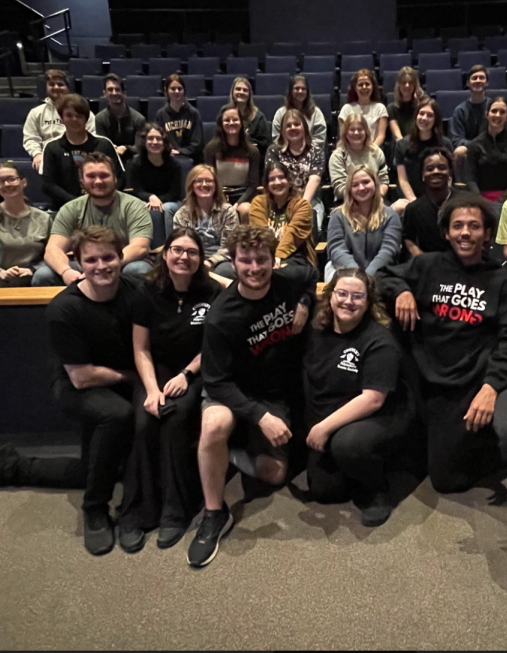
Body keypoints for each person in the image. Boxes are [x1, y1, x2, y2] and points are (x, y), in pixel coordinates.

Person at [377, 194, 507, 590]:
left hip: (489, 379)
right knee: (444, 480)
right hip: (441, 386)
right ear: (446, 231)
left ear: (488, 233)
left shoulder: (501, 281)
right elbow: (386, 275)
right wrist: (401, 292)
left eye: (474, 226)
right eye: (458, 226)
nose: (465, 233)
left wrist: (491, 387)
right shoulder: (426, 266)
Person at [0, 226, 141, 557]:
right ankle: (95, 509)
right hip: (77, 385)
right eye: (92, 259)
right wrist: (132, 376)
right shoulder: (65, 308)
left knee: (99, 468)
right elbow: (82, 377)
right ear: (78, 262)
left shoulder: (134, 291)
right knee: (117, 415)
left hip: (119, 381)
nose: (101, 265)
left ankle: (14, 467)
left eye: (109, 257)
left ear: (121, 257)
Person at [189, 224, 317, 568]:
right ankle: (214, 513)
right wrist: (260, 416)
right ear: (233, 262)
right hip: (233, 391)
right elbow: (216, 382)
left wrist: (304, 302)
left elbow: (310, 274)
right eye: (245, 261)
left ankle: (227, 455)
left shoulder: (288, 280)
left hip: (275, 393)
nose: (254, 268)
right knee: (215, 423)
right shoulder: (221, 316)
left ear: (274, 261)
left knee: (275, 474)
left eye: (262, 260)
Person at [116, 228, 224, 553]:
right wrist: (151, 389)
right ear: (165, 254)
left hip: (195, 371)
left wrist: (186, 375)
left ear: (201, 259)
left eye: (192, 252)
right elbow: (141, 350)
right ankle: (137, 512)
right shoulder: (147, 291)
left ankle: (175, 511)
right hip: (155, 371)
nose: (183, 257)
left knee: (175, 419)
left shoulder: (212, 293)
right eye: (177, 250)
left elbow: (213, 347)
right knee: (144, 421)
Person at [303, 268, 413, 526]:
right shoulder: (317, 330)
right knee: (324, 492)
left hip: (380, 413)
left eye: (357, 296)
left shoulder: (378, 340)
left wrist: (323, 428)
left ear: (368, 303)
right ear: (330, 296)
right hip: (337, 410)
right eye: (341, 293)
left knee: (348, 445)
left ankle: (377, 491)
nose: (348, 301)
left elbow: (373, 399)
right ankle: (351, 466)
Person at [33, 152, 153, 286]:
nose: (98, 181)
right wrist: (66, 271)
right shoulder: (70, 208)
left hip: (123, 263)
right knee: (43, 275)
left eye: (104, 175)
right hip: (84, 264)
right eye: (91, 176)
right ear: (82, 181)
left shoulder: (134, 206)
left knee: (139, 270)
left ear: (114, 178)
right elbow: (52, 249)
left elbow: (139, 247)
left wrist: (104, 267)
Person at [0, 162, 52, 287]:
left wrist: (33, 270)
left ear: (24, 182)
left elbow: (53, 254)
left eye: (12, 179)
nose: (6, 184)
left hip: (35, 282)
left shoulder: (43, 218)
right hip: (0, 282)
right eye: (0, 181)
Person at [41, 93, 123, 211]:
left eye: (79, 116)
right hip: (64, 209)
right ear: (61, 118)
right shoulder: (52, 148)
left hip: (103, 207)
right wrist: (77, 203)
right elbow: (48, 185)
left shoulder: (104, 144)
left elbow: (119, 178)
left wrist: (101, 198)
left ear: (86, 118)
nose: (74, 119)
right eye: (69, 115)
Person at [402, 147, 485, 256]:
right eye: (430, 168)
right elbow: (408, 239)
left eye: (441, 167)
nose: (436, 172)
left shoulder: (469, 202)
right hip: (430, 266)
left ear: (450, 172)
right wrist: (423, 261)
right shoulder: (414, 209)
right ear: (422, 174)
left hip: (465, 262)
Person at [325, 166, 401, 281]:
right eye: (355, 185)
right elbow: (337, 250)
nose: (361, 188)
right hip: (346, 271)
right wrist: (357, 275)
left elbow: (389, 250)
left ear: (375, 184)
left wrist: (368, 275)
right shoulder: (338, 215)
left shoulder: (390, 215)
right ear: (349, 189)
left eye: (366, 182)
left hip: (381, 272)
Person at [173, 164, 239, 279]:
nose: (204, 184)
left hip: (220, 260)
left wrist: (210, 262)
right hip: (190, 257)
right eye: (199, 181)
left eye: (208, 181)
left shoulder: (228, 211)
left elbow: (230, 246)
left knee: (225, 271)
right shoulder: (182, 214)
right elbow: (181, 245)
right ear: (192, 185)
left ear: (215, 185)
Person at [23, 68, 96, 172]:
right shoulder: (36, 113)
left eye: (60, 84)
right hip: (47, 157)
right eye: (52, 84)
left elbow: (92, 135)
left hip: (79, 156)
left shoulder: (83, 112)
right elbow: (31, 138)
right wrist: (37, 154)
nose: (56, 87)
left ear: (68, 87)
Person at [264, 108, 324, 231]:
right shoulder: (274, 151)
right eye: (288, 125)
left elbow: (315, 179)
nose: (293, 128)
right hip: (279, 202)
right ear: (282, 131)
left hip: (308, 201)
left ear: (304, 127)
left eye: (297, 124)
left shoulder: (316, 151)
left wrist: (301, 206)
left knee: (306, 230)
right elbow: (273, 179)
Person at [249, 162, 316, 269]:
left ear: (289, 181)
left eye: (281, 177)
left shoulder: (302, 205)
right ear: (266, 184)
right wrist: (270, 258)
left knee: (279, 274)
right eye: (272, 179)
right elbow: (260, 233)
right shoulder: (259, 203)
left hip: (298, 257)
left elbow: (292, 234)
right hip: (266, 254)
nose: (277, 182)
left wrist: (278, 256)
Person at [394, 97, 453, 210]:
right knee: (397, 209)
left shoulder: (445, 144)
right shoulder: (401, 145)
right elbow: (403, 180)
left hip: (438, 198)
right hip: (410, 198)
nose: (424, 118)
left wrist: (442, 199)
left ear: (435, 119)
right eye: (421, 114)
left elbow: (449, 177)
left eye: (430, 115)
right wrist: (414, 202)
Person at [203, 104, 261, 220]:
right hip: (218, 195)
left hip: (243, 196)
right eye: (226, 120)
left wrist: (237, 204)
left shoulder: (252, 151)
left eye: (235, 119)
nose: (231, 123)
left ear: (241, 122)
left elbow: (253, 186)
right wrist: (223, 202)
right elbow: (210, 180)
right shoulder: (211, 149)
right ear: (221, 123)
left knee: (246, 210)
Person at [463, 96, 507, 201]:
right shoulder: (475, 144)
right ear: (487, 114)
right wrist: (481, 201)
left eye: (502, 112)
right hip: (481, 197)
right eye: (494, 111)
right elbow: (470, 179)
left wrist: (501, 200)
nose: (497, 115)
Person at [126, 122, 184, 235]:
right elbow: (137, 190)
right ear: (145, 141)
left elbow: (175, 193)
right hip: (145, 200)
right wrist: (151, 197)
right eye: (150, 138)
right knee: (140, 207)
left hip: (170, 201)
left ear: (164, 142)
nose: (155, 142)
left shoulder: (174, 164)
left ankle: (170, 244)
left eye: (158, 139)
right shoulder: (136, 162)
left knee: (167, 208)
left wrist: (158, 200)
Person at [329, 113, 389, 202]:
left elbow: (383, 182)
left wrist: (377, 197)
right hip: (346, 202)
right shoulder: (338, 156)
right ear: (345, 133)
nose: (356, 133)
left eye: (360, 129)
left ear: (366, 132)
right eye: (352, 130)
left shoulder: (376, 152)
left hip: (375, 201)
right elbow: (340, 188)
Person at [94, 73, 146, 167]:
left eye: (117, 89)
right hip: (108, 162)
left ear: (124, 93)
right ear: (104, 94)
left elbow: (140, 147)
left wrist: (126, 148)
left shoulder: (139, 119)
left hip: (133, 162)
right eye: (110, 90)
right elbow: (100, 145)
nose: (114, 93)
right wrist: (110, 148)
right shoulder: (99, 118)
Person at [155, 73, 205, 164]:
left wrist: (181, 151)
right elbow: (160, 139)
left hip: (191, 159)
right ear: (166, 91)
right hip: (168, 159)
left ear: (184, 90)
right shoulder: (161, 114)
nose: (177, 91)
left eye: (179, 89)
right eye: (173, 89)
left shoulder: (193, 113)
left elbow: (197, 143)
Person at [449, 64, 492, 162]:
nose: (478, 80)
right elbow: (457, 139)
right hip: (469, 149)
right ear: (468, 83)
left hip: (491, 147)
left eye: (481, 78)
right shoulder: (460, 110)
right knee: (459, 151)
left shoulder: (493, 108)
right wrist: (477, 145)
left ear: (486, 83)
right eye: (474, 78)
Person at [271, 74, 327, 146]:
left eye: (303, 89)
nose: (300, 91)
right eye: (297, 88)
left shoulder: (316, 113)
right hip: (285, 154)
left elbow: (319, 139)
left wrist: (302, 151)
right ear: (291, 91)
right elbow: (276, 139)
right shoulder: (280, 113)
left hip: (310, 154)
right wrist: (291, 151)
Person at [338, 69, 388, 149]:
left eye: (367, 84)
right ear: (355, 88)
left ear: (373, 87)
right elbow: (343, 137)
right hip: (351, 152)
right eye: (360, 84)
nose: (364, 87)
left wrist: (369, 152)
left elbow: (381, 136)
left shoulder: (380, 108)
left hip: (373, 151)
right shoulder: (346, 109)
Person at [229, 76, 271, 159]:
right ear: (232, 92)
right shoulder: (225, 113)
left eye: (245, 90)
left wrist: (247, 141)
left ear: (249, 94)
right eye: (238, 89)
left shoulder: (258, 116)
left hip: (252, 157)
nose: (241, 92)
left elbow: (266, 143)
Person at [387, 66, 425, 150]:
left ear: (415, 85)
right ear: (399, 84)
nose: (407, 85)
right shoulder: (392, 108)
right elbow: (398, 136)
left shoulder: (422, 106)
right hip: (402, 148)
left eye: (410, 82)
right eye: (404, 82)